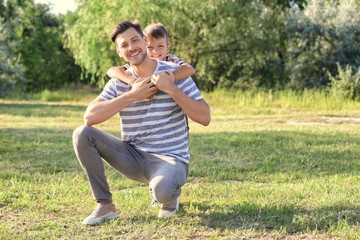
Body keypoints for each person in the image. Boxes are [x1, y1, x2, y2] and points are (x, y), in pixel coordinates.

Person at [72, 20, 211, 226]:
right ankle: (105, 206)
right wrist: (131, 96)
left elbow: (205, 117)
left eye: (135, 40)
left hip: (170, 158)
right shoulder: (120, 80)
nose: (131, 47)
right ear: (119, 52)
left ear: (145, 41)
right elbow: (89, 117)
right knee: (82, 134)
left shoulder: (173, 73)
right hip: (133, 157)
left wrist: (172, 89)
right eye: (124, 45)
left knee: (163, 190)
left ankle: (169, 196)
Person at [106, 22, 195, 86]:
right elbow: (111, 71)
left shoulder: (171, 60)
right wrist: (133, 82)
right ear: (144, 44)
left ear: (167, 48)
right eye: (150, 47)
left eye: (160, 46)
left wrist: (167, 80)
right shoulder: (138, 65)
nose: (155, 51)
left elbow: (189, 69)